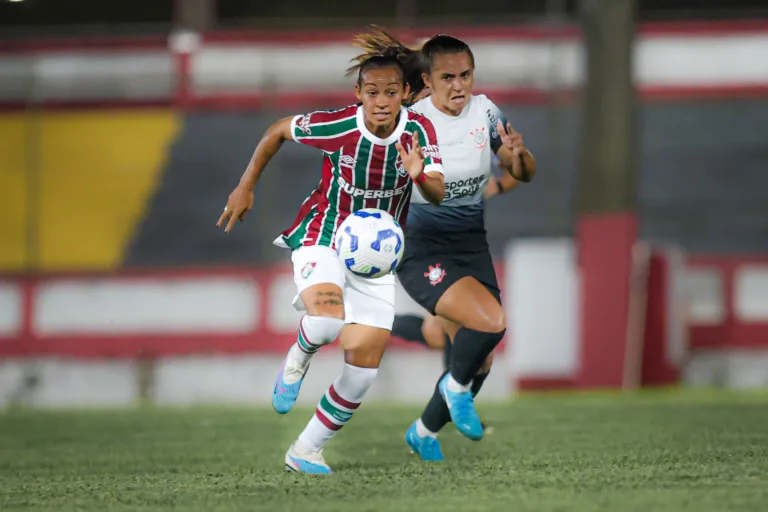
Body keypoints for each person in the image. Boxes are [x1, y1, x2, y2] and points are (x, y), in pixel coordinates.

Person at [216, 48, 445, 475]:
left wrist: (418, 175)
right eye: (372, 91)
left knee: (361, 373)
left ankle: (305, 450)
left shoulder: (420, 130)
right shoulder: (339, 125)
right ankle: (298, 359)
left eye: (391, 92)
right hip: (324, 235)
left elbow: (438, 190)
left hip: (376, 259)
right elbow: (277, 131)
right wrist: (245, 186)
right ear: (358, 93)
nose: (381, 100)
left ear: (405, 94)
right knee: (324, 323)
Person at [349, 28, 536, 462]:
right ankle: (454, 391)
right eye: (448, 78)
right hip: (421, 245)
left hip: (470, 241)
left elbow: (522, 171)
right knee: (490, 323)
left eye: (466, 76)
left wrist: (518, 156)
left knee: (481, 359)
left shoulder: (487, 112)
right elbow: (417, 186)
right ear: (428, 82)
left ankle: (423, 430)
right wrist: (412, 177)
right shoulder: (411, 121)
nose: (459, 86)